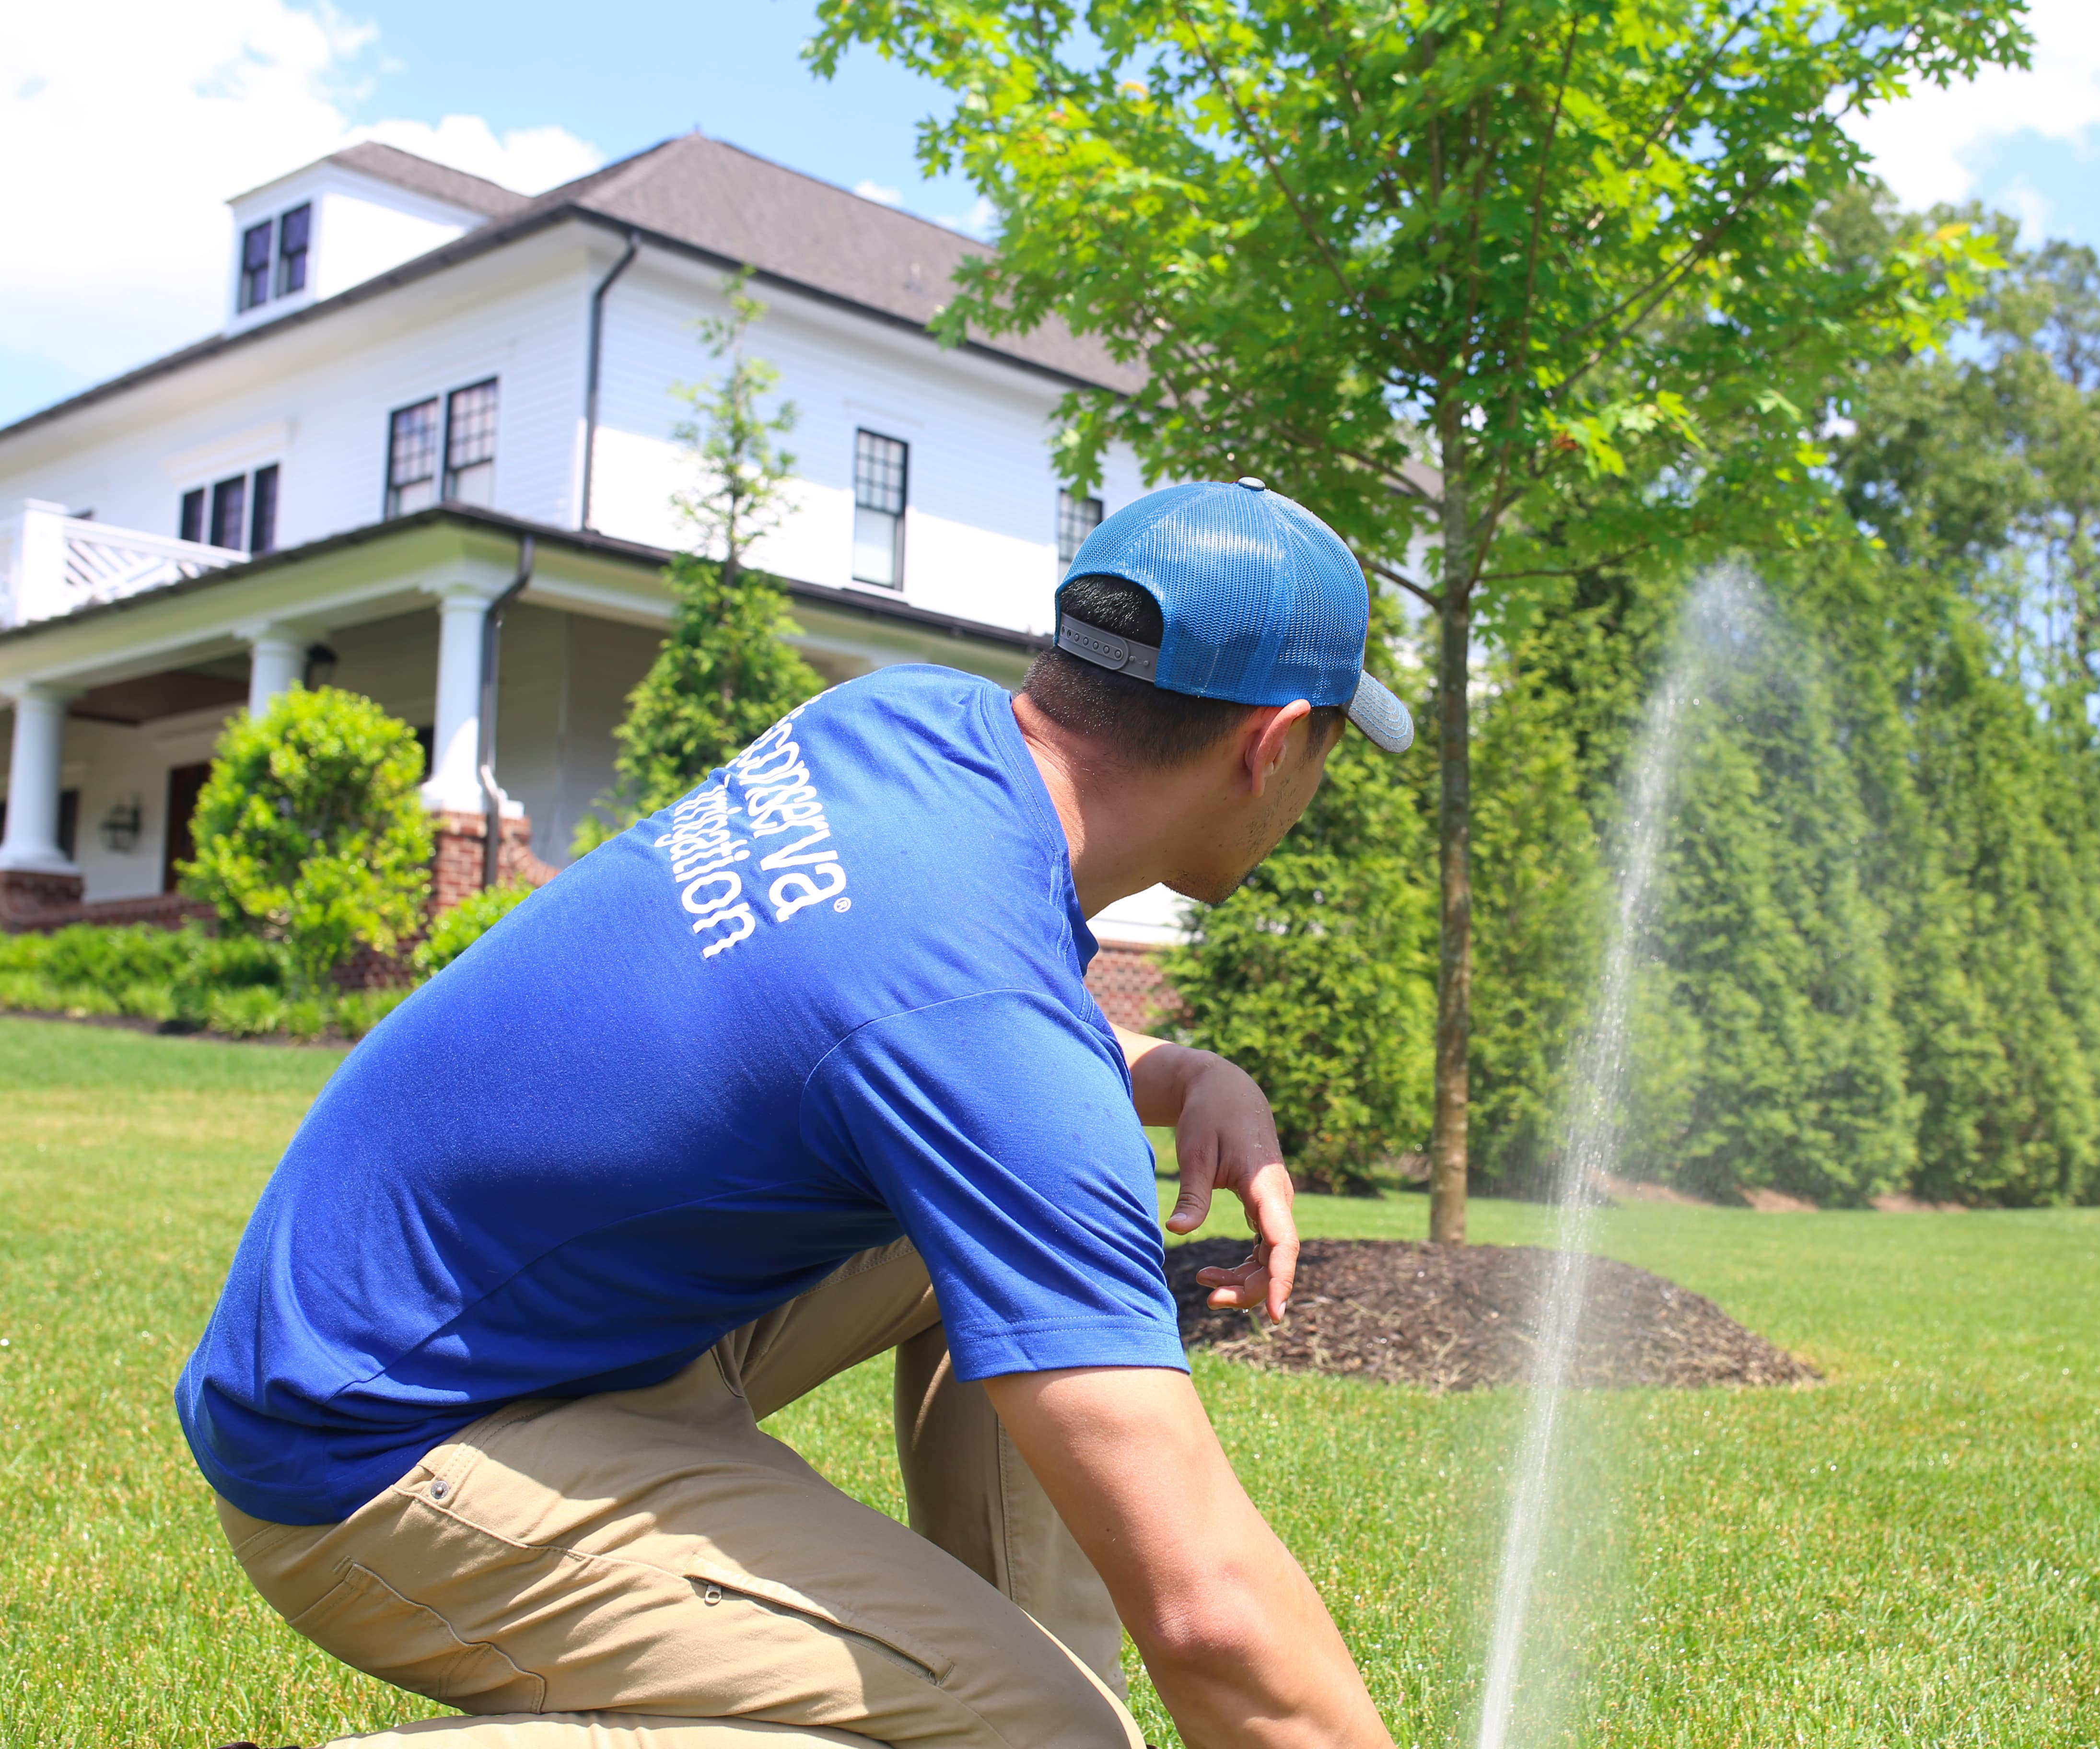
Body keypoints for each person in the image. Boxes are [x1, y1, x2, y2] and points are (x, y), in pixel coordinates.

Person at [176, 478, 1413, 1749]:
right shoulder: (985, 1036)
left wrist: (1175, 1074)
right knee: (1049, 1742)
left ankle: (1017, 1677)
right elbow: (1212, 1618)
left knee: (1020, 1256)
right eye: (1330, 748)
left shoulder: (899, 722)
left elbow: (887, 1016)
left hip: (434, 1331)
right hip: (376, 1449)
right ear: (1272, 745)